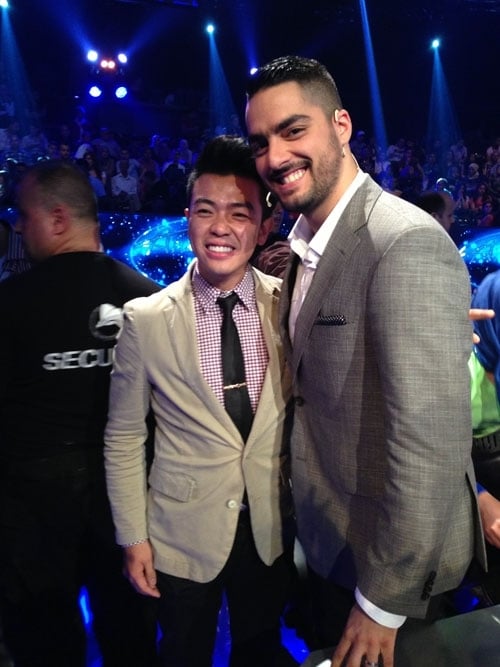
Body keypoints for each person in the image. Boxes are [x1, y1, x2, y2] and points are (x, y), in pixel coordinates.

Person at [245, 55, 485, 667]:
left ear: (342, 125)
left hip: (390, 570)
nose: (275, 156)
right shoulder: (305, 243)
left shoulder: (404, 241)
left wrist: (383, 600)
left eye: (292, 130)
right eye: (261, 142)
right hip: (335, 543)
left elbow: (428, 442)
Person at [104, 135, 297, 667]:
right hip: (180, 533)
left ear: (263, 227)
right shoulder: (145, 319)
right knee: (182, 653)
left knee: (260, 650)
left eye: (239, 213)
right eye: (206, 210)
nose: (220, 227)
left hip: (270, 527)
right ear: (187, 217)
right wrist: (133, 538)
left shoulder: (291, 305)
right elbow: (124, 437)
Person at [0, 161, 160, 667]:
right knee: (132, 642)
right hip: (127, 507)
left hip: (33, 514)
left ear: (58, 218)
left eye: (24, 215)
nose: (18, 227)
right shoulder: (149, 300)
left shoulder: (9, 304)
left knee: (46, 647)